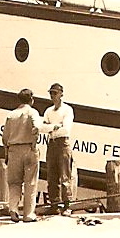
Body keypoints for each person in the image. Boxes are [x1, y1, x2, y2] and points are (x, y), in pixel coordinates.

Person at [3, 88, 45, 223]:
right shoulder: (33, 112)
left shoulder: (11, 115)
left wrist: (7, 154)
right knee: (30, 183)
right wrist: (34, 144)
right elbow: (37, 127)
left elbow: (5, 138)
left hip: (13, 150)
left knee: (14, 183)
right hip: (28, 149)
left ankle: (13, 209)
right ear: (31, 100)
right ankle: (28, 214)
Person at [43, 82, 75, 215]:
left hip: (63, 144)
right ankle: (54, 205)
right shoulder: (48, 111)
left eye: (55, 93)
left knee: (65, 175)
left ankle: (67, 205)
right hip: (52, 144)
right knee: (52, 175)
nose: (52, 96)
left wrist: (51, 128)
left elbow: (66, 129)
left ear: (61, 94)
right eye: (51, 93)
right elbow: (42, 128)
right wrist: (55, 127)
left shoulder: (67, 110)